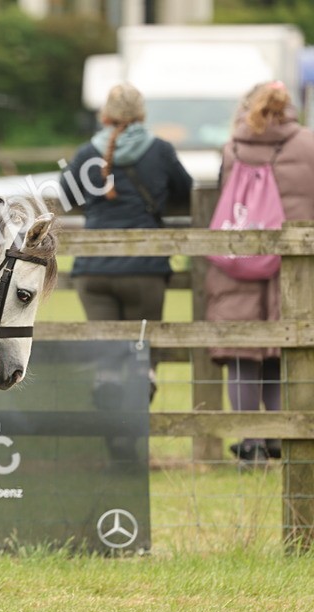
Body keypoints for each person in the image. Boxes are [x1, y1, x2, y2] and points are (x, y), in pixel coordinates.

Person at [60, 83, 192, 399]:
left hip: (93, 270)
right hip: (144, 269)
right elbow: (187, 193)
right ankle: (139, 402)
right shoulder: (160, 151)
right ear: (141, 114)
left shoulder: (86, 153)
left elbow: (65, 197)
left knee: (107, 353)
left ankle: (108, 405)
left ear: (105, 114)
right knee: (140, 351)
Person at [207, 82, 314, 463]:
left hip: (239, 262)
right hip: (294, 268)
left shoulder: (233, 146)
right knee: (282, 353)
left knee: (242, 354)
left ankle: (248, 441)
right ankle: (280, 437)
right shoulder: (308, 145)